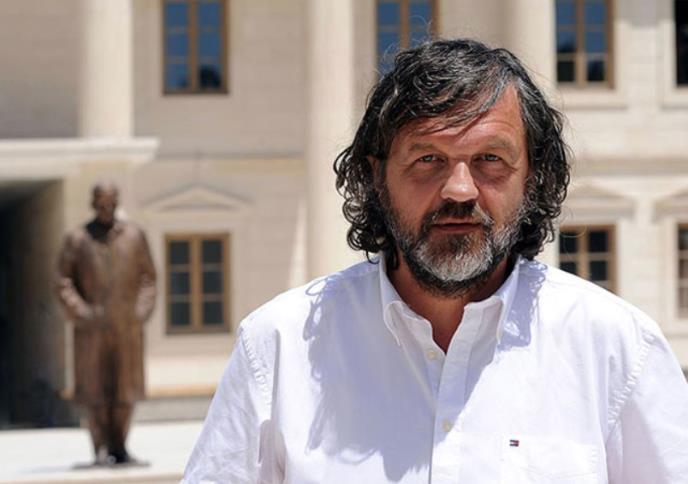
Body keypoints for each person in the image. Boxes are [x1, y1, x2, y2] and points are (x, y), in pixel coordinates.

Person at [183, 39, 688, 483]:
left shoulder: (617, 349)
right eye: (428, 160)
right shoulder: (278, 348)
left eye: (490, 159)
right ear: (376, 177)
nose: (459, 190)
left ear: (533, 178)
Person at [56, 181, 156, 465]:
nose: (106, 209)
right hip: (91, 330)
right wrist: (81, 312)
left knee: (126, 390)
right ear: (93, 204)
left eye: (110, 203)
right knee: (95, 391)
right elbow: (63, 282)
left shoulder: (135, 236)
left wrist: (139, 313)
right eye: (101, 204)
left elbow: (149, 279)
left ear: (117, 203)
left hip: (127, 328)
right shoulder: (77, 239)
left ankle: (120, 448)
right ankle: (100, 448)